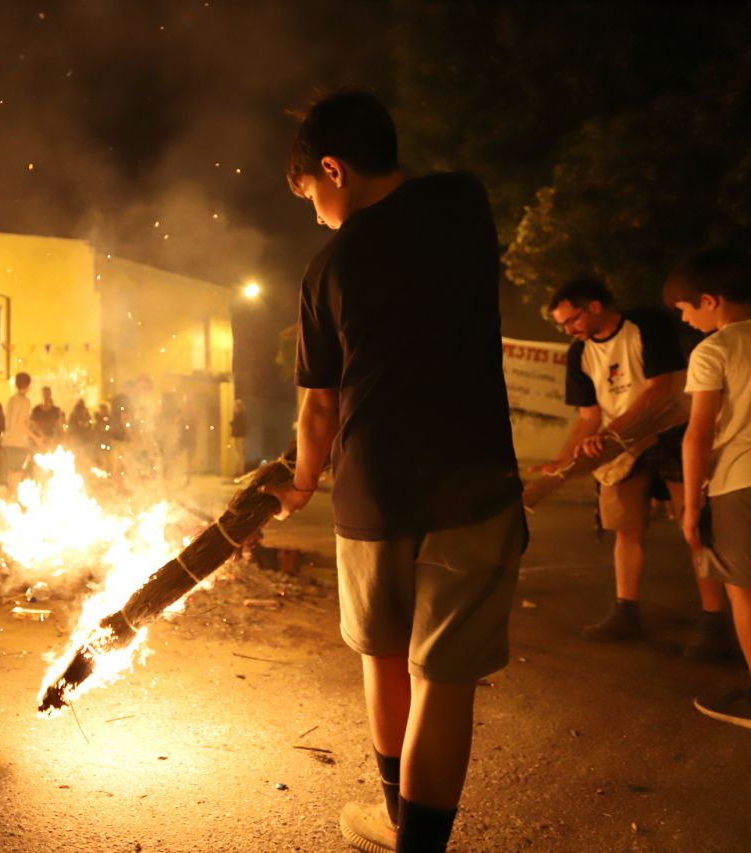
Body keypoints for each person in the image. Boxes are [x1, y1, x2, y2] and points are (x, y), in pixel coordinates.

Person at [265, 90, 526, 852]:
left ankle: (391, 811)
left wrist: (300, 482)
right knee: (444, 680)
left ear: (332, 170)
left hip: (373, 487)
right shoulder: (463, 204)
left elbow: (319, 412)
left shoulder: (326, 269)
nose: (314, 212)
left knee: (383, 655)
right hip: (472, 476)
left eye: (311, 193)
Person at [545, 279, 728, 656]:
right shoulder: (578, 353)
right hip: (620, 444)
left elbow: (659, 389)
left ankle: (715, 619)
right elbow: (588, 415)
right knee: (625, 527)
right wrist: (565, 459)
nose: (569, 329)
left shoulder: (645, 324)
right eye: (562, 325)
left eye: (571, 319)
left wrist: (609, 433)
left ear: (595, 306)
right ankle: (625, 611)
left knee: (692, 524)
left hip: (671, 429)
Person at [666, 248, 751, 734]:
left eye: (685, 308)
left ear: (710, 300)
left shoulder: (714, 350)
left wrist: (692, 504)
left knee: (748, 592)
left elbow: (699, 432)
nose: (686, 318)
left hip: (741, 479)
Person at [2, 372, 39, 490]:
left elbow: (10, 421)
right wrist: (36, 438)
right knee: (18, 472)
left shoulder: (11, 400)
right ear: (27, 385)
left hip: (8, 441)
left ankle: (10, 496)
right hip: (19, 442)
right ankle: (13, 497)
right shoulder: (25, 401)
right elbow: (20, 424)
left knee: (11, 472)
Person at [30, 386, 64, 450]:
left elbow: (59, 425)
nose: (45, 397)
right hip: (39, 440)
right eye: (44, 394)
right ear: (41, 395)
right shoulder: (36, 410)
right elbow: (34, 425)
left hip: (53, 439)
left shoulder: (56, 410)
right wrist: (42, 436)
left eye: (47, 394)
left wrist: (56, 438)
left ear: (50, 395)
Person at [229, 399, 248, 479]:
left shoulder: (240, 415)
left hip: (238, 436)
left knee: (239, 454)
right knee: (239, 454)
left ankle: (240, 472)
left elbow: (238, 425)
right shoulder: (241, 415)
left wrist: (232, 423)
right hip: (239, 435)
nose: (234, 408)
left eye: (235, 406)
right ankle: (239, 471)